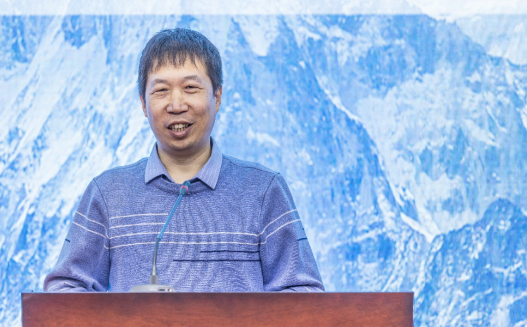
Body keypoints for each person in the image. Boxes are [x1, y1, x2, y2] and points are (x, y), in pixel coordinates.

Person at [44, 28, 324, 292]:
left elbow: (303, 293)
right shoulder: (108, 192)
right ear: (143, 103)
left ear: (217, 97)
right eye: (161, 90)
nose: (176, 105)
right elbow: (64, 289)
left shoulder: (263, 190)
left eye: (190, 87)